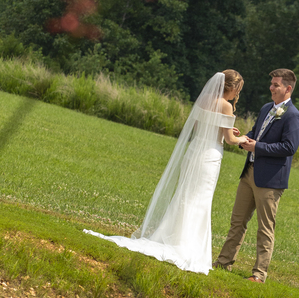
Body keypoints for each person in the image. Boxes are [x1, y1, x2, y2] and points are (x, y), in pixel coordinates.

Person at [84, 70, 246, 275]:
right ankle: (188, 246)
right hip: (209, 155)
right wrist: (244, 139)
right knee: (200, 199)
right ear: (231, 87)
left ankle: (172, 236)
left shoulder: (204, 98)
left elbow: (197, 127)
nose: (236, 94)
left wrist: (223, 128)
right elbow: (230, 140)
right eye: (237, 90)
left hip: (194, 150)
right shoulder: (226, 105)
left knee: (185, 194)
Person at [214, 68, 299, 282]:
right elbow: (256, 133)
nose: (271, 88)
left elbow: (289, 148)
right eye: (271, 84)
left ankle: (259, 274)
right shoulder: (266, 108)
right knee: (237, 222)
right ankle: (223, 262)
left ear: (288, 89)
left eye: (275, 85)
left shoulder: (293, 116)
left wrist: (258, 147)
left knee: (265, 228)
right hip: (249, 173)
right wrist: (244, 138)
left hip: (270, 181)